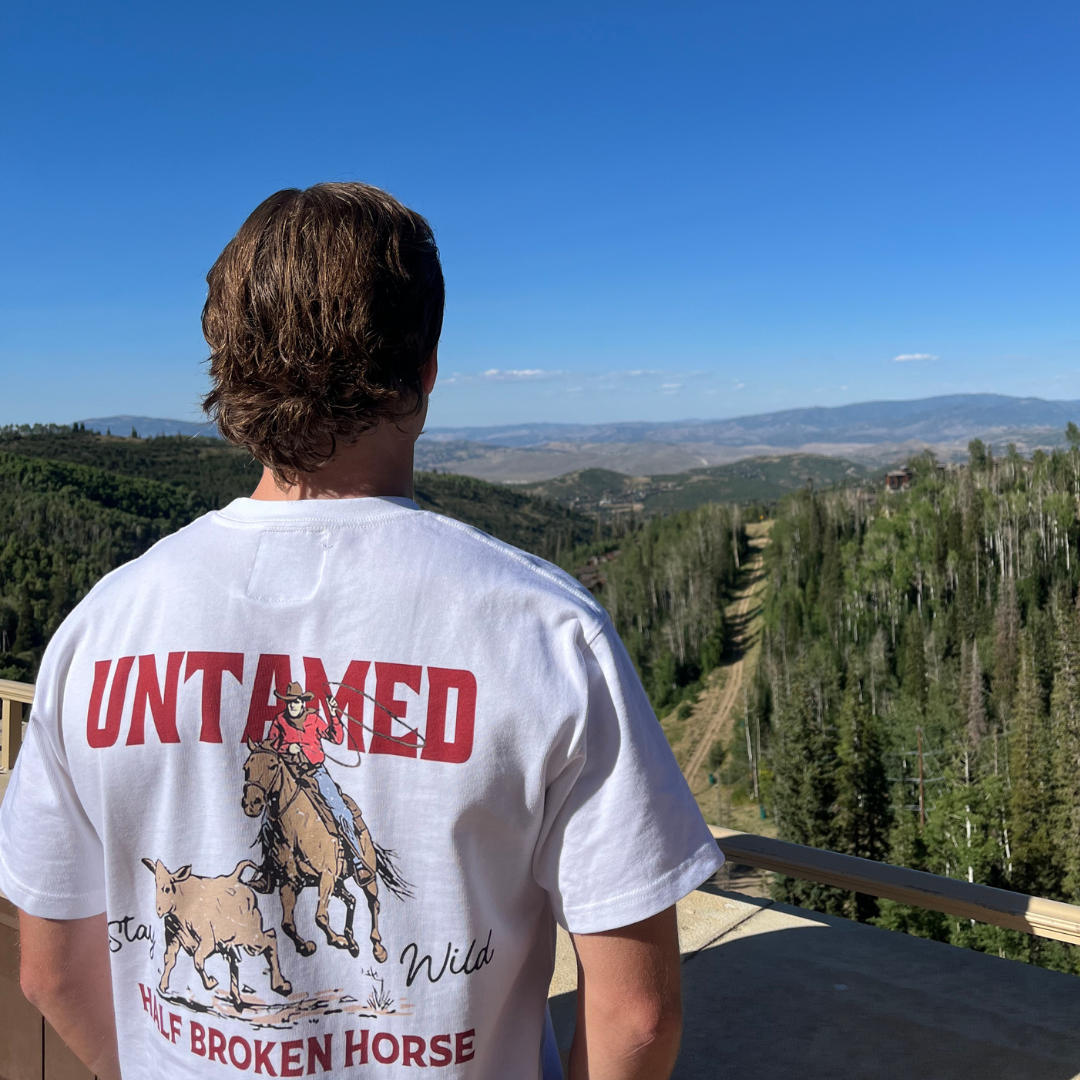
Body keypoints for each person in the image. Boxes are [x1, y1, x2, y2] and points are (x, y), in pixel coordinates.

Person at [0, 182, 723, 1080]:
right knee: (269, 836)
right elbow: (639, 1015)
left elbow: (50, 971)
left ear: (229, 372)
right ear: (423, 373)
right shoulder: (546, 630)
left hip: (308, 783)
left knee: (336, 818)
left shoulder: (99, 628)